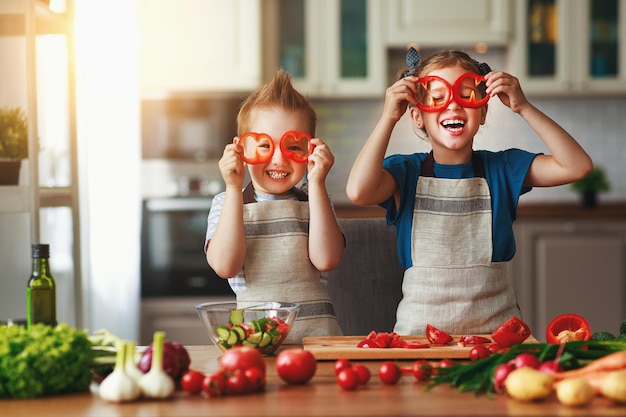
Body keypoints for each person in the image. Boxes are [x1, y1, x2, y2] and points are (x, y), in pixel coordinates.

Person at [346, 48, 593, 335]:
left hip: (497, 342)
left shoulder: (502, 168)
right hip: (417, 343)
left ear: (484, 111)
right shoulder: (405, 173)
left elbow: (577, 166)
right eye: (438, 98)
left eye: (466, 96)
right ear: (417, 116)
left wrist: (523, 106)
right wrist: (388, 117)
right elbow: (358, 192)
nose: (452, 106)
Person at [205, 69, 344, 343]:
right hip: (257, 342)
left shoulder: (315, 200)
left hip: (318, 342)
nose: (279, 160)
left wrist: (317, 184)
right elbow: (225, 266)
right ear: (240, 150)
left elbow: (326, 260)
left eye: (294, 146)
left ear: (311, 150)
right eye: (263, 146)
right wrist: (234, 187)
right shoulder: (227, 203)